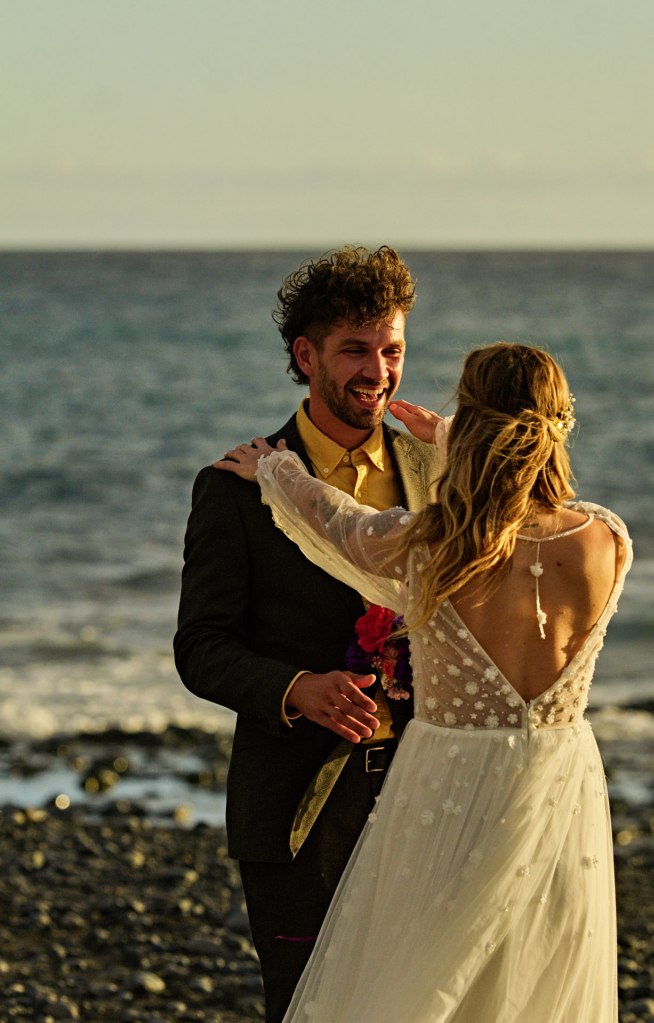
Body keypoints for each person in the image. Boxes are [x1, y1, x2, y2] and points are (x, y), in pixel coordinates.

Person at [217, 342, 632, 1023]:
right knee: (529, 976)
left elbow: (333, 520)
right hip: (559, 776)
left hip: (450, 777)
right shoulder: (606, 539)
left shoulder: (429, 546)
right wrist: (455, 440)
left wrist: (273, 467)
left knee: (421, 970)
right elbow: (534, 505)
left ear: (472, 426)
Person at [174, 245, 441, 1022]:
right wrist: (297, 689)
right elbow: (201, 646)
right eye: (355, 349)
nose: (378, 370)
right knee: (310, 1010)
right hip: (293, 806)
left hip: (428, 789)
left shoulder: (435, 469)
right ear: (306, 354)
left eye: (391, 349)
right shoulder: (237, 486)